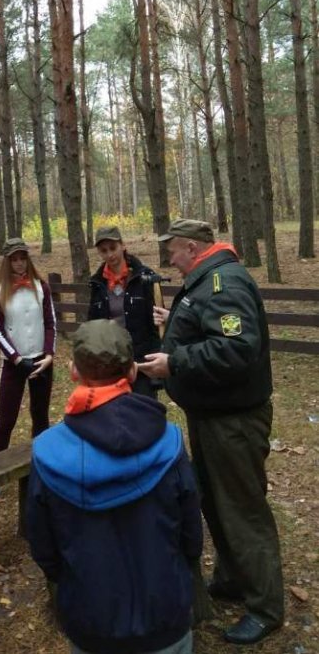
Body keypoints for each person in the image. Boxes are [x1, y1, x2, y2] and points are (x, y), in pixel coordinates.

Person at [140, 218, 285, 645]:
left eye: (172, 251)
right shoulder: (209, 282)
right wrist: (178, 320)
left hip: (233, 422)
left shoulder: (224, 282)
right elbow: (212, 327)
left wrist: (175, 362)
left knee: (242, 510)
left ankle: (265, 608)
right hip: (214, 416)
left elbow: (238, 348)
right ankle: (235, 580)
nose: (169, 259)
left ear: (190, 247)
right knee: (218, 505)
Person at [27, 319, 202, 654]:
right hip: (165, 614)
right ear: (133, 373)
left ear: (73, 372)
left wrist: (68, 581)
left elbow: (43, 545)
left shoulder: (47, 453)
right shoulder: (170, 442)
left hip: (91, 618)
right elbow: (191, 533)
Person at [0, 238, 55, 508]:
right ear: (7, 261)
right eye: (14, 258)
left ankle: (43, 471)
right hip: (14, 365)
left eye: (23, 257)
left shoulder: (40, 286)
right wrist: (16, 358)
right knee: (6, 420)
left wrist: (48, 354)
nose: (19, 262)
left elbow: (50, 323)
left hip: (41, 362)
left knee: (40, 416)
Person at [88, 225, 161, 398]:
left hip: (141, 359)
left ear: (122, 245)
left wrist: (155, 357)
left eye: (113, 248)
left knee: (143, 410)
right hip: (111, 360)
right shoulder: (97, 283)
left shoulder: (144, 277)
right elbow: (93, 323)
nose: (109, 255)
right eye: (104, 250)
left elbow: (157, 321)